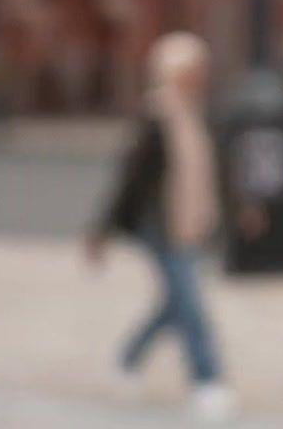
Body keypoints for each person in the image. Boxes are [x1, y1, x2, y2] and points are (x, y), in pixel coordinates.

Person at [85, 32, 249, 422]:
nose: (199, 76)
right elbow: (131, 179)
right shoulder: (156, 117)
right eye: (191, 70)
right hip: (160, 226)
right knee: (190, 304)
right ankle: (208, 380)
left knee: (175, 303)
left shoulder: (200, 112)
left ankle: (127, 359)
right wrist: (102, 230)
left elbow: (216, 169)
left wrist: (239, 208)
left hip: (192, 221)